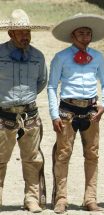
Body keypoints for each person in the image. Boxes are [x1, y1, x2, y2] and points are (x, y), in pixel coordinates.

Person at [47, 13, 104, 213]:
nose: (85, 36)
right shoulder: (61, 57)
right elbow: (51, 86)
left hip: (91, 111)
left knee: (92, 155)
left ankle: (90, 199)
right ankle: (61, 198)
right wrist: (54, 114)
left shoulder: (98, 57)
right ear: (73, 36)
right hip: (68, 110)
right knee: (63, 155)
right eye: (81, 33)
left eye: (88, 33)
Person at [0, 9, 48, 213]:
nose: (25, 35)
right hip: (3, 116)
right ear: (10, 33)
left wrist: (23, 100)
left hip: (30, 116)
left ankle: (32, 199)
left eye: (27, 31)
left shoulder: (38, 56)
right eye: (20, 32)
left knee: (32, 159)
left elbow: (41, 82)